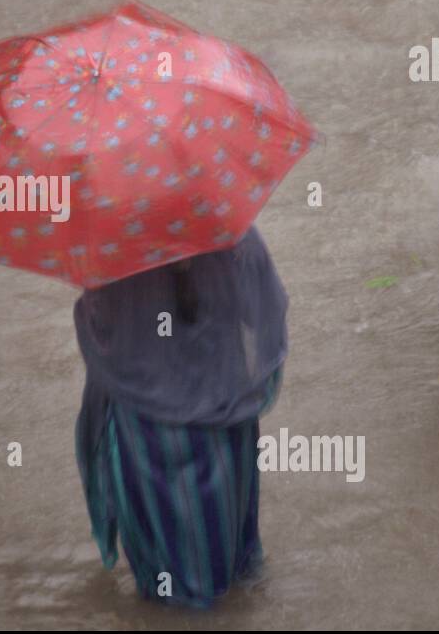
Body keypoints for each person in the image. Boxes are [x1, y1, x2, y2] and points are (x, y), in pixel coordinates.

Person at [73, 226, 288, 608]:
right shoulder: (230, 231)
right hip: (225, 422)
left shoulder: (112, 247)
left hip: (146, 432)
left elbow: (99, 333)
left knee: (168, 585)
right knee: (234, 563)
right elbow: (264, 312)